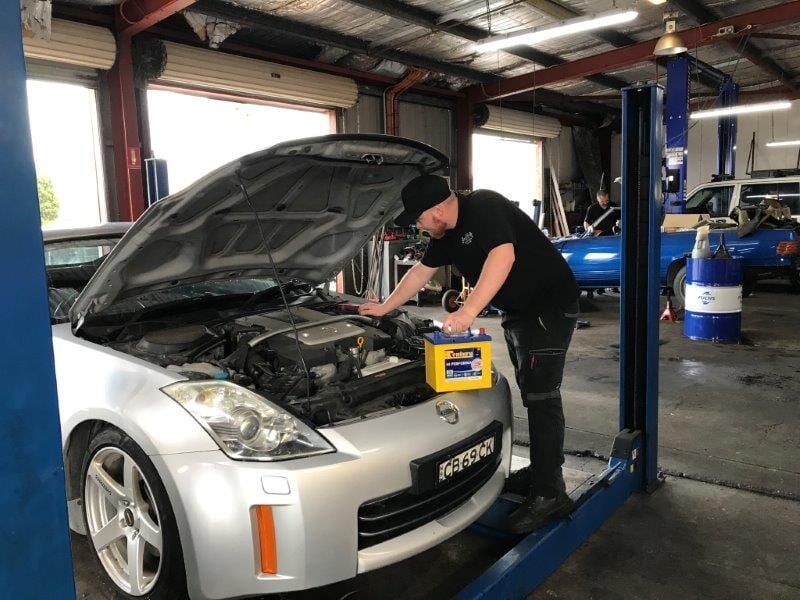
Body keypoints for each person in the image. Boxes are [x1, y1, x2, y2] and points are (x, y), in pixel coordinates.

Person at [359, 175, 580, 533]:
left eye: (418, 219)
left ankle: (550, 493)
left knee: (542, 397)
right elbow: (419, 272)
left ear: (437, 210)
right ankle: (543, 474)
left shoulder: (484, 206)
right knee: (532, 393)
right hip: (519, 312)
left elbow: (502, 255)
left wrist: (467, 312)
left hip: (548, 307)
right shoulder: (444, 236)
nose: (418, 227)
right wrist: (385, 307)